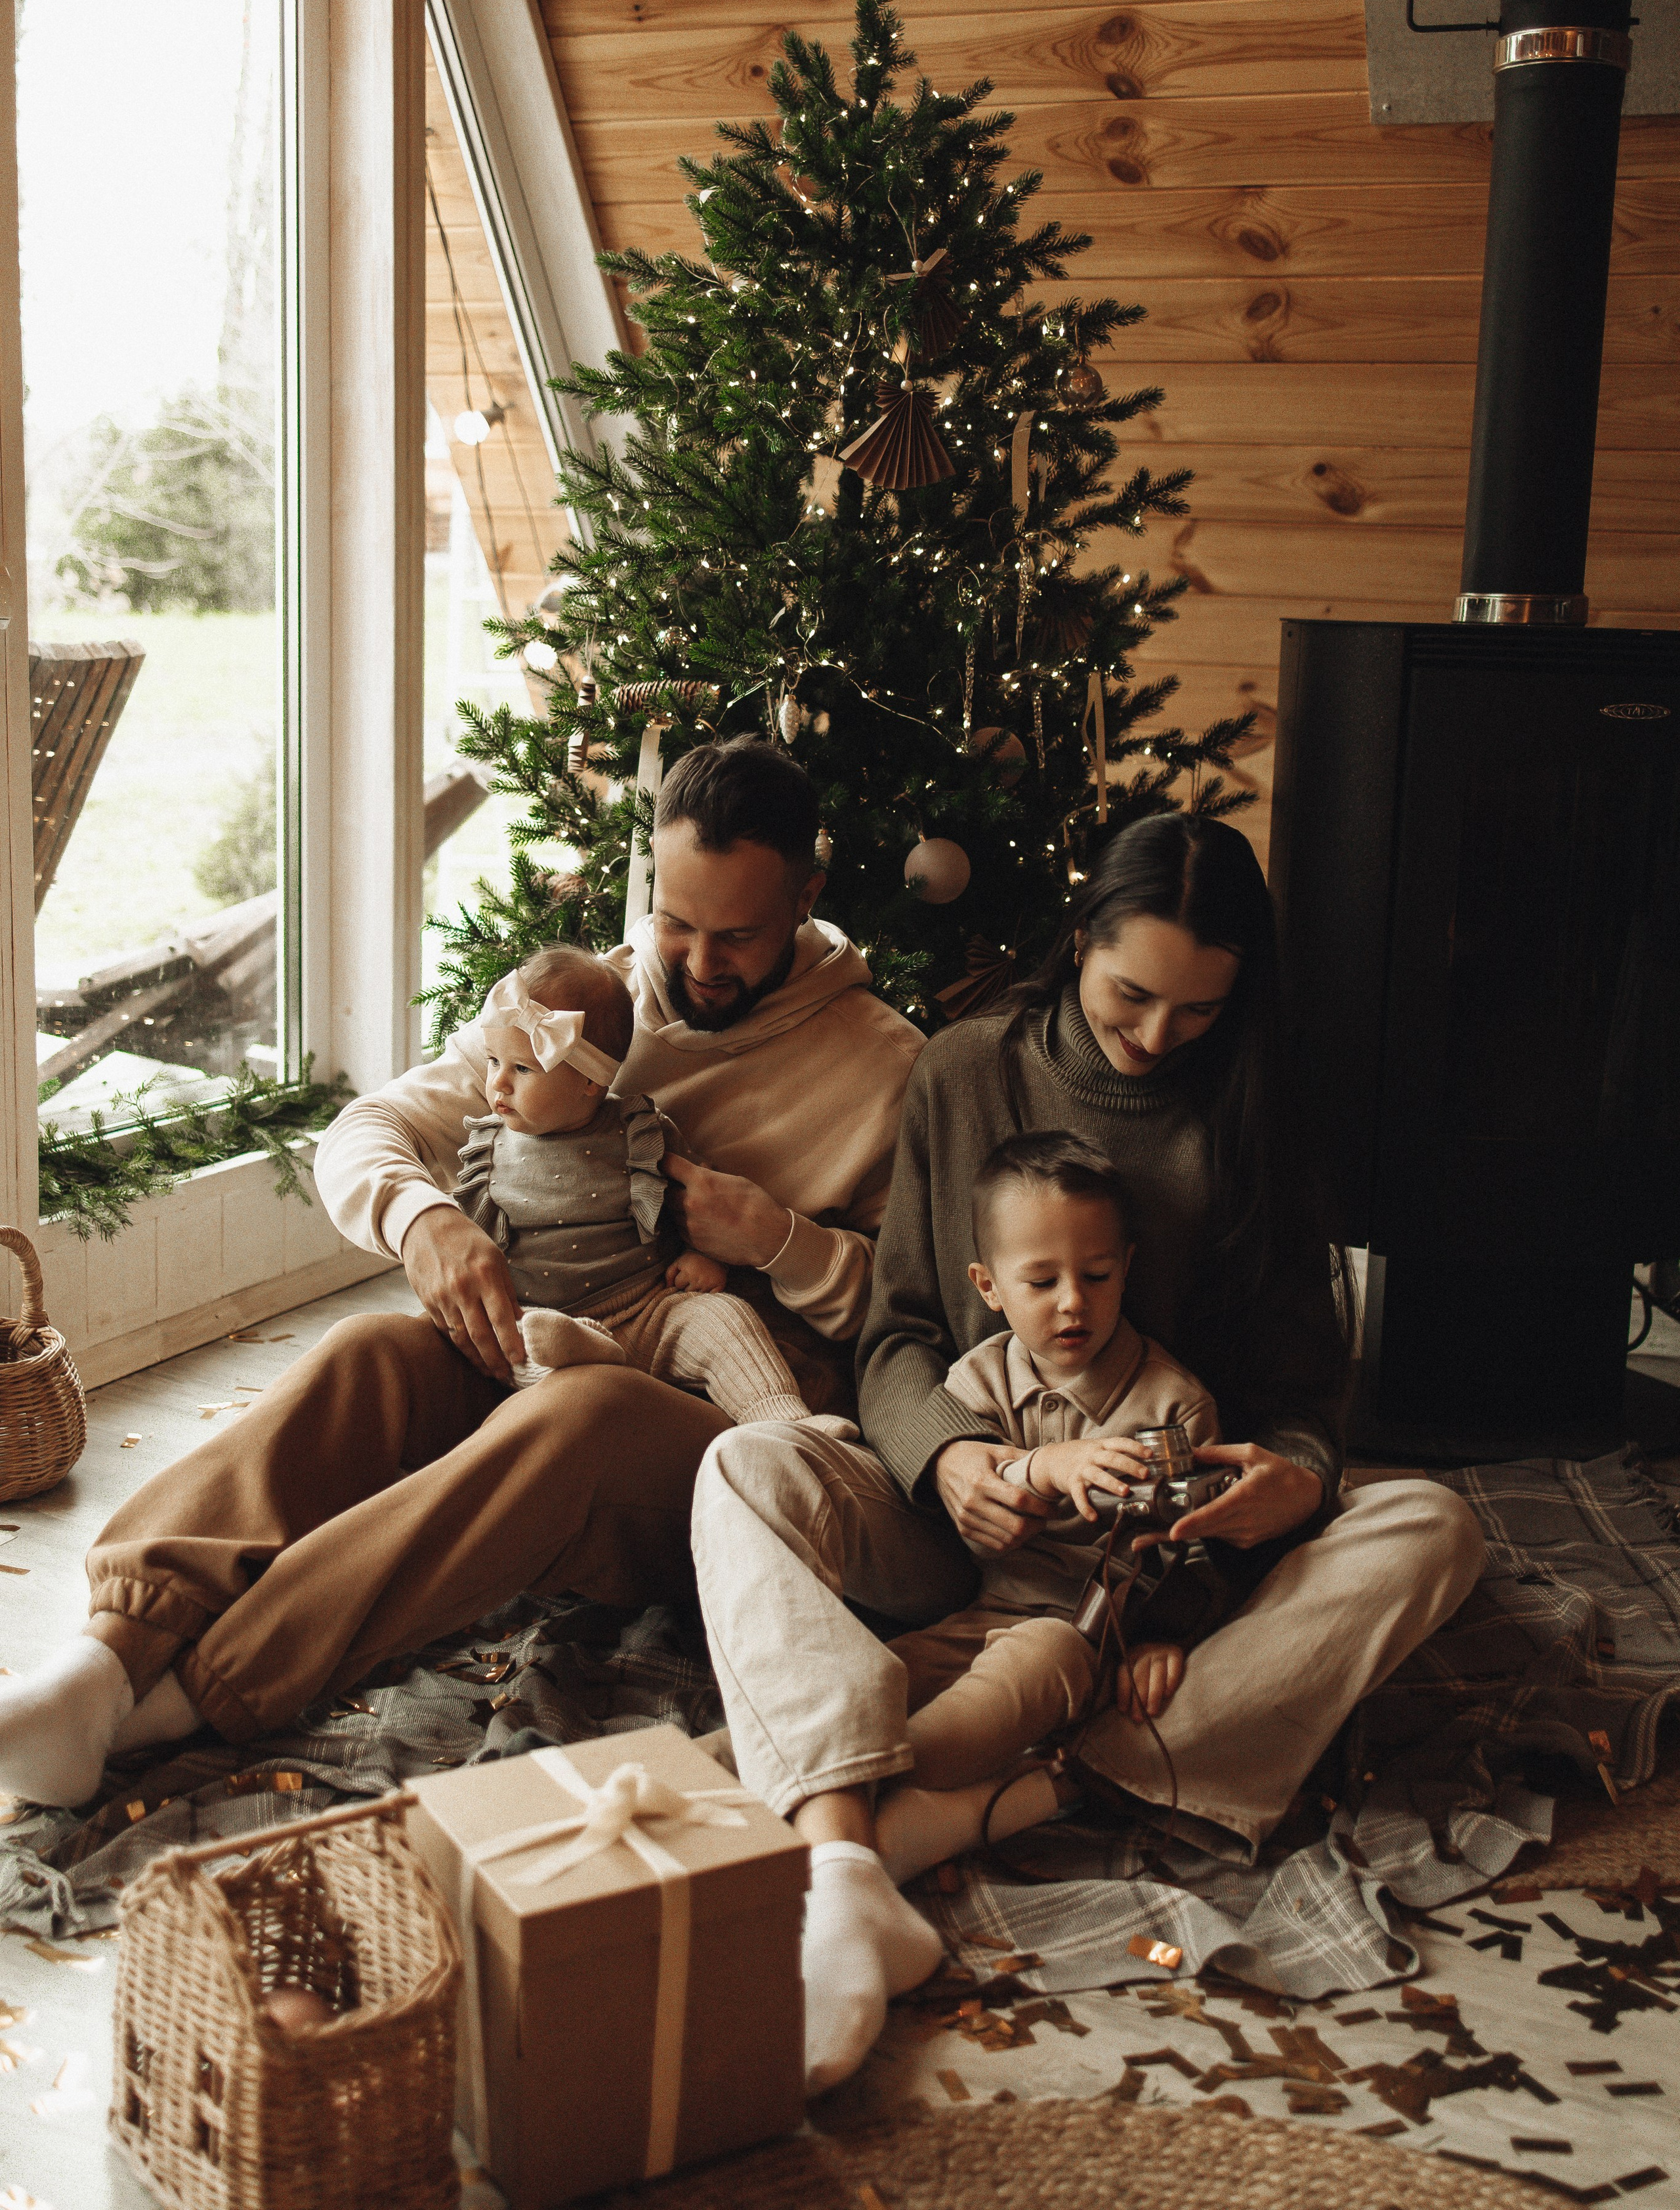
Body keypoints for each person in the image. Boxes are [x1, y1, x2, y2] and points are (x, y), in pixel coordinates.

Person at [691, 812, 1487, 2093]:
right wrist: (950, 1458)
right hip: (963, 1516)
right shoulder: (963, 1070)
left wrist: (1287, 1479)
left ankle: (1004, 1788)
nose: (1158, 1037)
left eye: (1197, 1013)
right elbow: (897, 1330)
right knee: (745, 1467)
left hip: (1158, 1571)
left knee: (1433, 1528)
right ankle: (848, 1863)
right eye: (1131, 996)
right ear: (1076, 945)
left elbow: (1300, 1396)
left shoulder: (1258, 1108)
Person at [0, 740, 921, 1810]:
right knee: (372, 1350)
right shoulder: (596, 1006)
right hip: (554, 1352)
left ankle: (194, 1698)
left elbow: (906, 1327)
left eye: (738, 935)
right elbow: (374, 1128)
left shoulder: (883, 1069)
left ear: (808, 897)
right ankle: (102, 1663)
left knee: (585, 1415)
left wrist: (776, 1239)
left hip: (718, 1446)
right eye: (675, 921)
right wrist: (426, 1217)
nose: (696, 961)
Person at [873, 1127, 1219, 1870]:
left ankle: (879, 1774)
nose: (1072, 1304)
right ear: (987, 1286)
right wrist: (1044, 1466)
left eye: (1096, 1275)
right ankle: (740, 1759)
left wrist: (1166, 1638)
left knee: (1044, 1653)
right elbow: (967, 1504)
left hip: (1082, 1642)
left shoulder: (1174, 1405)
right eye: (1041, 1283)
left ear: (1127, 1270)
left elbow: (1193, 1546)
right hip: (977, 1616)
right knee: (879, 1675)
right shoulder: (977, 1382)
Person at [461, 944, 824, 1428]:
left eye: (522, 1069)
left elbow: (697, 1200)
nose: (498, 1085)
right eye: (493, 1062)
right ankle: (586, 1356)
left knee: (725, 1321)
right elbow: (469, 1245)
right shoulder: (488, 1149)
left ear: (591, 1080)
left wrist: (704, 1256)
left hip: (651, 1308)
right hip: (546, 1320)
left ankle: (787, 1423)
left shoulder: (640, 1130)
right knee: (516, 1343)